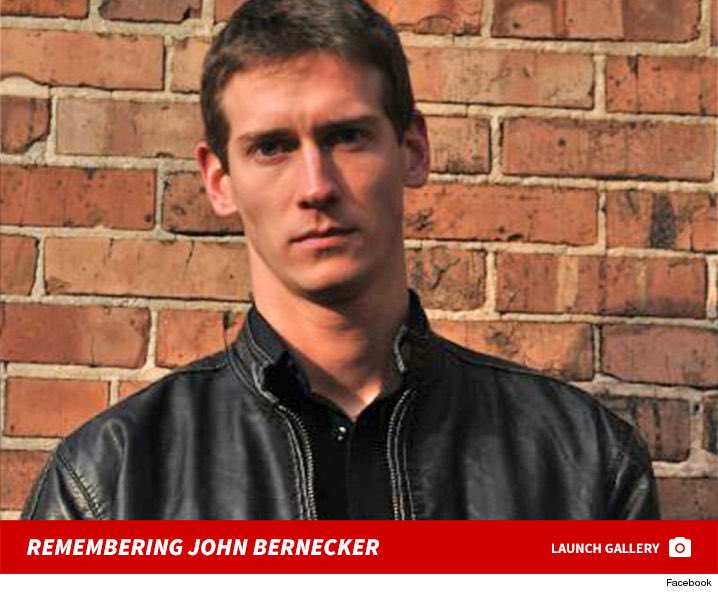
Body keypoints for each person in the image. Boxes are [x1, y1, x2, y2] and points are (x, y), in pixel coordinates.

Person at [22, 0, 659, 520]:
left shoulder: (584, 463)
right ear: (219, 180)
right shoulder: (108, 485)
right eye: (272, 148)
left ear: (412, 149)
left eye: (347, 136)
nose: (317, 186)